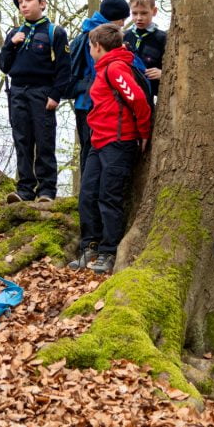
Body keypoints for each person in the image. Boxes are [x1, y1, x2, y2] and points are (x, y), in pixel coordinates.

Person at [70, 23, 151, 274]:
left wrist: (144, 133)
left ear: (97, 46)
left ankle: (109, 251)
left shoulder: (116, 68)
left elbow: (137, 99)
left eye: (90, 46)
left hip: (118, 142)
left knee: (109, 196)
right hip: (98, 141)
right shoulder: (104, 67)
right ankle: (89, 246)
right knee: (88, 193)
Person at [0, 0, 71, 203]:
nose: (24, 5)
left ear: (42, 3)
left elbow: (64, 68)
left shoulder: (54, 32)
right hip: (18, 92)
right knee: (22, 141)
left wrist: (56, 95)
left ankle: (47, 190)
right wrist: (11, 44)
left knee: (44, 141)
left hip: (42, 93)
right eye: (20, 2)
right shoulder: (15, 33)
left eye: (28, 0)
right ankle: (24, 190)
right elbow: (3, 65)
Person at [68, 0, 132, 169]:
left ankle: (87, 192)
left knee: (89, 148)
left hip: (84, 102)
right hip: (93, 102)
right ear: (114, 17)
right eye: (122, 19)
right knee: (93, 149)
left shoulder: (88, 32)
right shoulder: (100, 38)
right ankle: (89, 193)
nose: (123, 24)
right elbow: (99, 72)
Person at [124, 0, 167, 98]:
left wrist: (163, 74)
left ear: (154, 11)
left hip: (149, 96)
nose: (139, 18)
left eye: (144, 13)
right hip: (125, 94)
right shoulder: (124, 36)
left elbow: (172, 67)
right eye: (134, 13)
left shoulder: (163, 38)